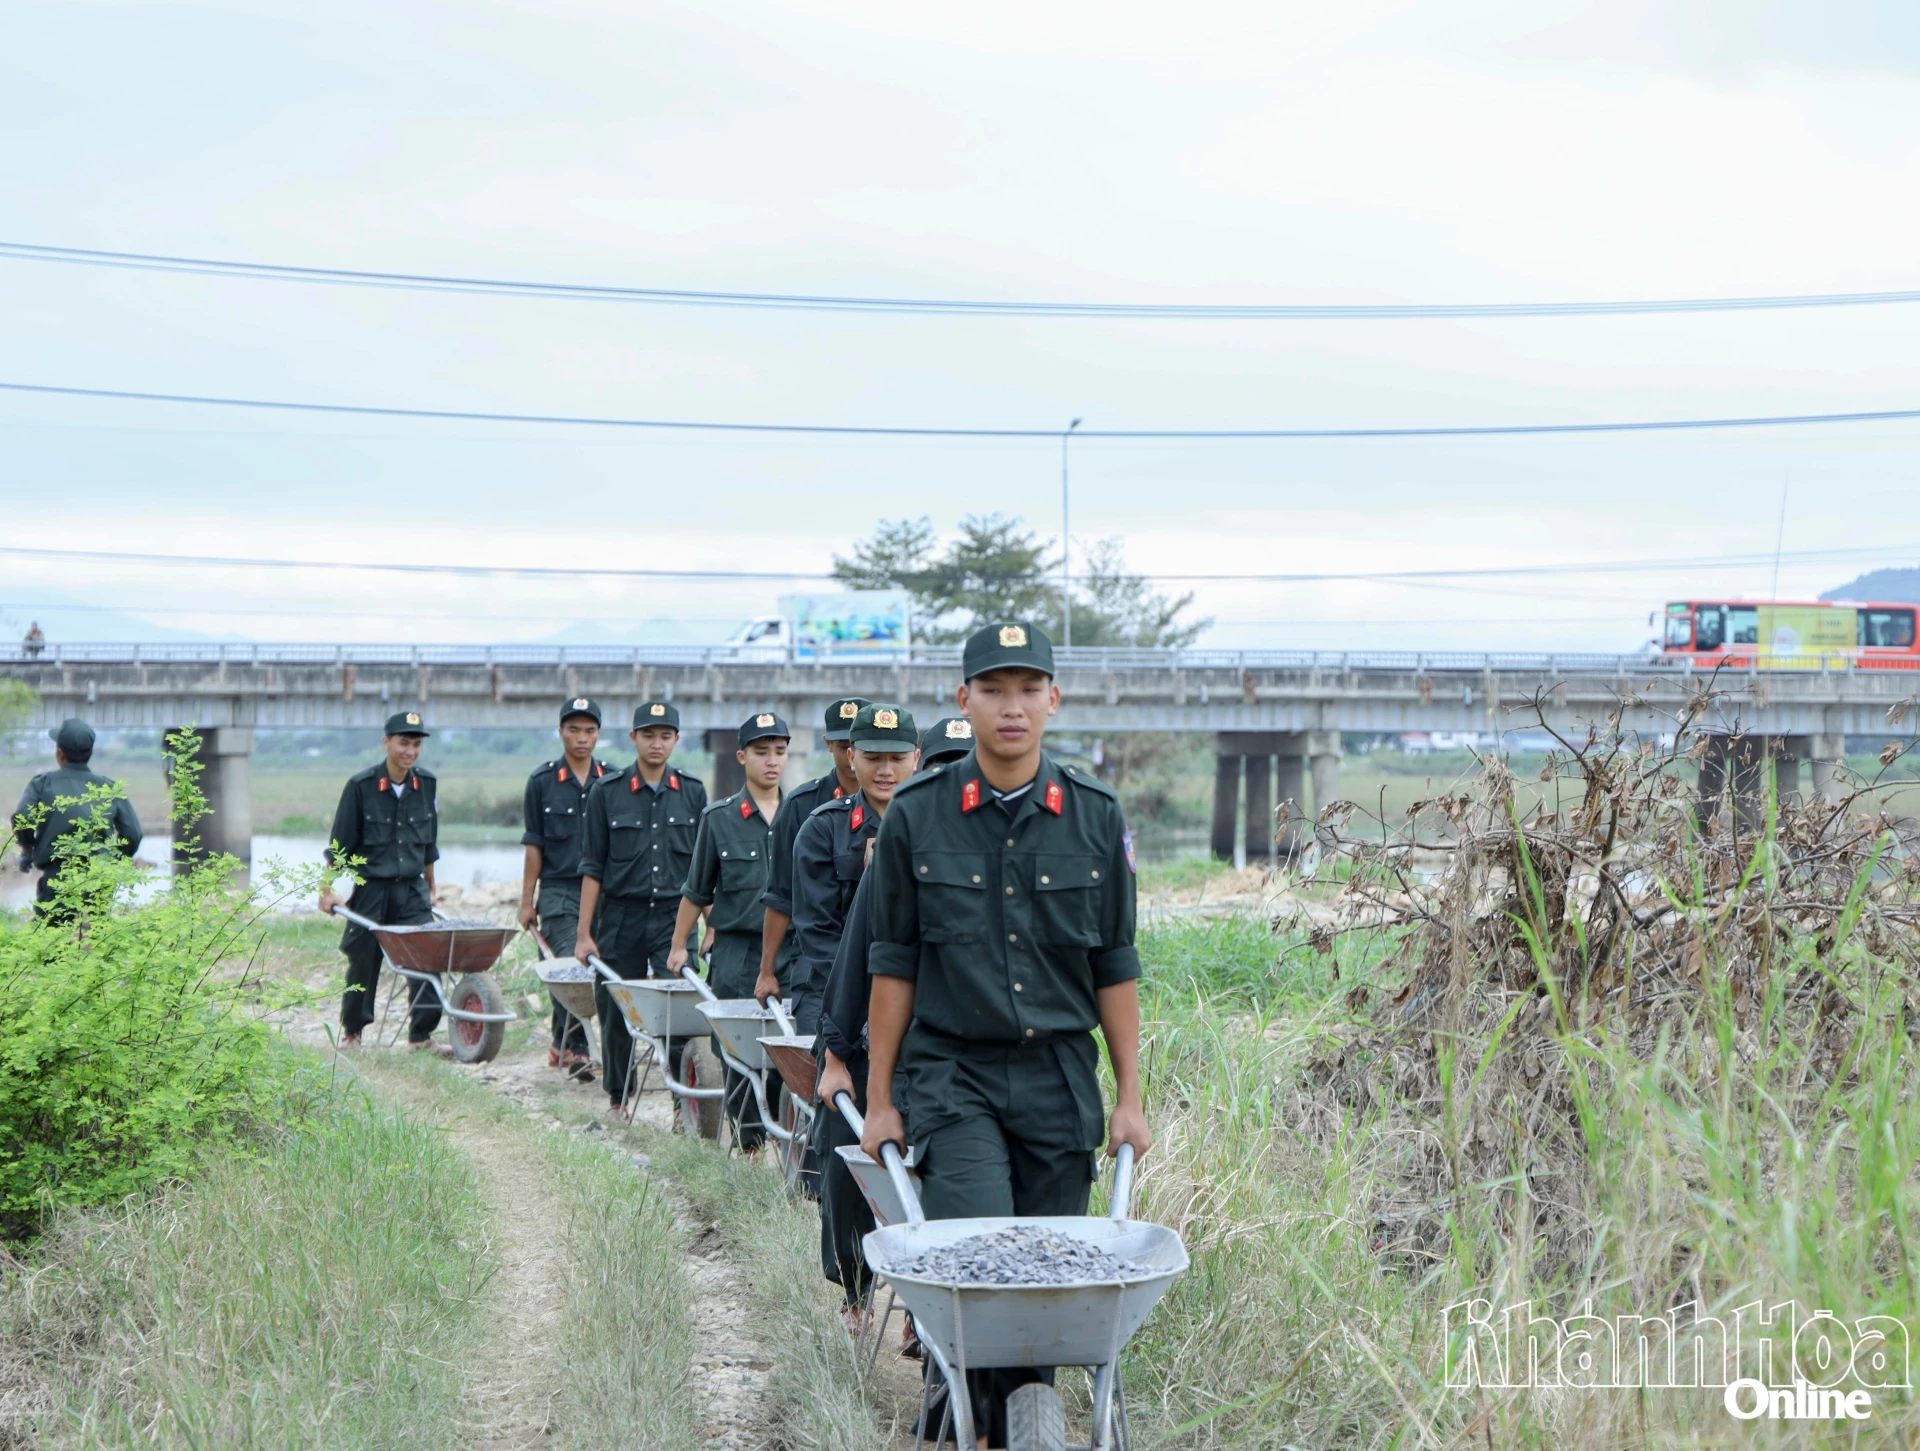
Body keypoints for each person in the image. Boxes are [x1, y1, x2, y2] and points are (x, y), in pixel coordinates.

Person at [860, 623, 1150, 1446]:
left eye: (1028, 688)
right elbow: (894, 966)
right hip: (954, 1076)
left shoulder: (1094, 816)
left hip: (1060, 1077)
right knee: (980, 1262)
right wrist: (882, 1099)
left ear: (1054, 699)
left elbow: (1115, 966)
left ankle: (1013, 1418)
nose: (1011, 706)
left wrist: (1129, 1098)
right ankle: (973, 1422)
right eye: (993, 689)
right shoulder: (918, 815)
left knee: (1052, 1286)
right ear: (964, 701)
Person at [812, 713, 968, 1337]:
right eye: (941, 766)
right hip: (894, 1047)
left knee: (946, 1190)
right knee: (859, 1166)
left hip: (967, 1060)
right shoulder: (898, 852)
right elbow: (852, 960)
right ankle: (857, 1286)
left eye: (965, 765)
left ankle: (926, 1316)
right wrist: (836, 1054)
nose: (953, 779)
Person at [576, 700, 706, 1118]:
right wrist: (584, 934)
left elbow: (703, 871)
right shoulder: (606, 792)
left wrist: (711, 924)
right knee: (616, 1005)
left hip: (674, 918)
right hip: (620, 916)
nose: (656, 743)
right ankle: (618, 1095)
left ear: (676, 740)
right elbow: (593, 867)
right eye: (648, 735)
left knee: (680, 1008)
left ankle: (682, 1100)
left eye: (665, 735)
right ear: (633, 738)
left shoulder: (692, 792)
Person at [669, 710, 789, 1148]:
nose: (771, 761)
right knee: (738, 1053)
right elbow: (696, 889)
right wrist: (680, 944)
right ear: (741, 756)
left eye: (779, 751)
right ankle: (750, 1144)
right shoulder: (719, 819)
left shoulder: (803, 815)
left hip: (793, 953)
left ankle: (785, 1138)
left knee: (787, 1048)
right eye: (761, 752)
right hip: (736, 954)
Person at [779, 703, 918, 1035]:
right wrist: (870, 992)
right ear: (852, 757)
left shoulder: (935, 827)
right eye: (873, 758)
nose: (886, 771)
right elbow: (817, 932)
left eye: (897, 759)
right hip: (831, 989)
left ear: (916, 759)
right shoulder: (823, 829)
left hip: (913, 990)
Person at [318, 711, 444, 1052]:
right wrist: (327, 891)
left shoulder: (426, 784)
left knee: (427, 954)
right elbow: (340, 845)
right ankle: (353, 1033)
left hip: (411, 889)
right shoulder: (361, 787)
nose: (410, 751)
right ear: (386, 741)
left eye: (416, 744)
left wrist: (431, 884)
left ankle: (421, 1036)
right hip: (372, 888)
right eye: (404, 742)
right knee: (363, 957)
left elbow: (428, 842)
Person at [518, 696, 615, 1082]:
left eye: (589, 730)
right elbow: (533, 847)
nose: (581, 738)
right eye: (573, 729)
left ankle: (561, 1043)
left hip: (605, 893)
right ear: (561, 732)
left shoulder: (612, 781)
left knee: (599, 969)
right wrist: (527, 902)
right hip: (559, 890)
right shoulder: (541, 782)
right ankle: (577, 1050)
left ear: (598, 735)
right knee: (571, 964)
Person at [758, 696, 868, 1000]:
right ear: (828, 744)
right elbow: (781, 894)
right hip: (817, 964)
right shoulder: (802, 805)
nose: (850, 753)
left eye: (858, 742)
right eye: (842, 742)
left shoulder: (904, 804)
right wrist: (767, 971)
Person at [10, 716, 142, 914]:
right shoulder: (109, 787)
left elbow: (22, 816)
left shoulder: (42, 784)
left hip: (57, 882)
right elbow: (133, 834)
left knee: (50, 941)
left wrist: (27, 848)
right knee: (94, 940)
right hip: (98, 883)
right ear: (90, 752)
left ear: (60, 752)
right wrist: (111, 862)